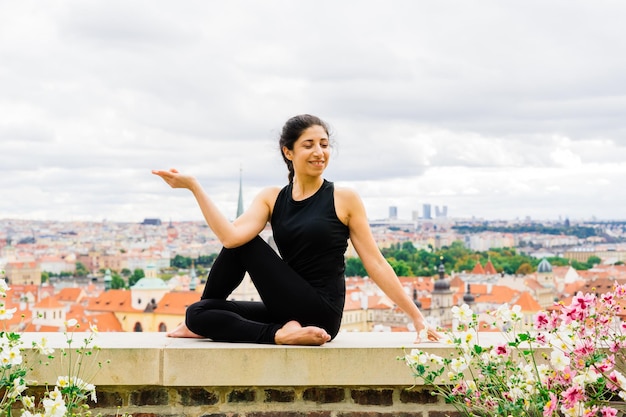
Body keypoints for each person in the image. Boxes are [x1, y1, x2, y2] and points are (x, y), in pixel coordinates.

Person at [152, 114, 440, 346]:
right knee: (198, 312)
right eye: (309, 145)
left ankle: (275, 333)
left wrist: (416, 316)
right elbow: (228, 236)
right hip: (285, 309)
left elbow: (376, 263)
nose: (319, 152)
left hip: (321, 312)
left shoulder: (344, 198)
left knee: (246, 244)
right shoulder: (272, 197)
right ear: (288, 152)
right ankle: (280, 334)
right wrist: (195, 187)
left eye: (324, 144)